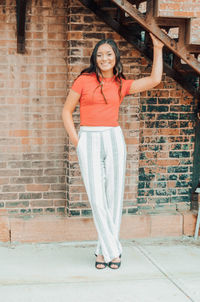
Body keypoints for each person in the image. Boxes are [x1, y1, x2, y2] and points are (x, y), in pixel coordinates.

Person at [62, 33, 164, 270]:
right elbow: (66, 111)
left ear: (115, 57)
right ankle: (113, 250)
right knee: (97, 199)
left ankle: (102, 251)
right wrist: (78, 142)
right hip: (88, 138)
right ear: (94, 58)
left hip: (113, 137)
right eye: (100, 55)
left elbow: (155, 80)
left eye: (109, 54)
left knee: (114, 196)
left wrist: (158, 48)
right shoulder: (83, 80)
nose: (104, 58)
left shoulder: (121, 84)